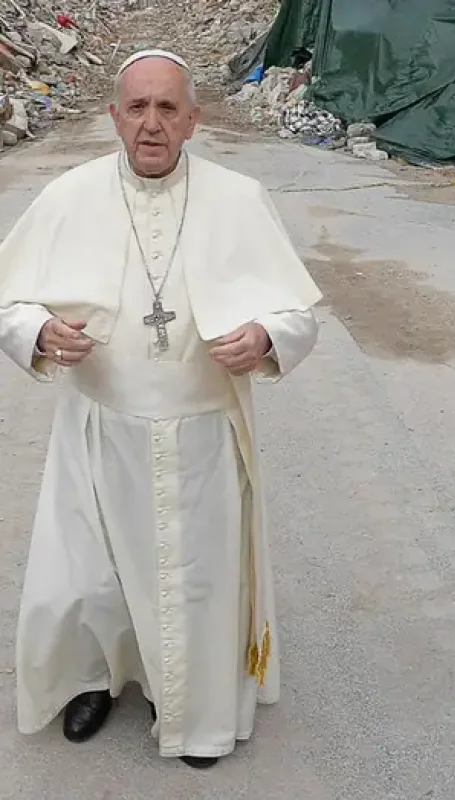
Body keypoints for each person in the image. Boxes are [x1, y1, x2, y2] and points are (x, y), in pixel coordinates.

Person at [0, 49, 321, 769]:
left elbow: (299, 315)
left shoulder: (239, 200)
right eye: (138, 107)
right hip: (98, 425)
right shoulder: (68, 196)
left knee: (194, 579)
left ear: (194, 120)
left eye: (168, 108)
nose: (152, 124)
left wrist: (267, 336)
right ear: (114, 116)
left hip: (203, 434)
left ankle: (191, 711)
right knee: (92, 572)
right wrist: (36, 331)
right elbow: (9, 300)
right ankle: (95, 678)